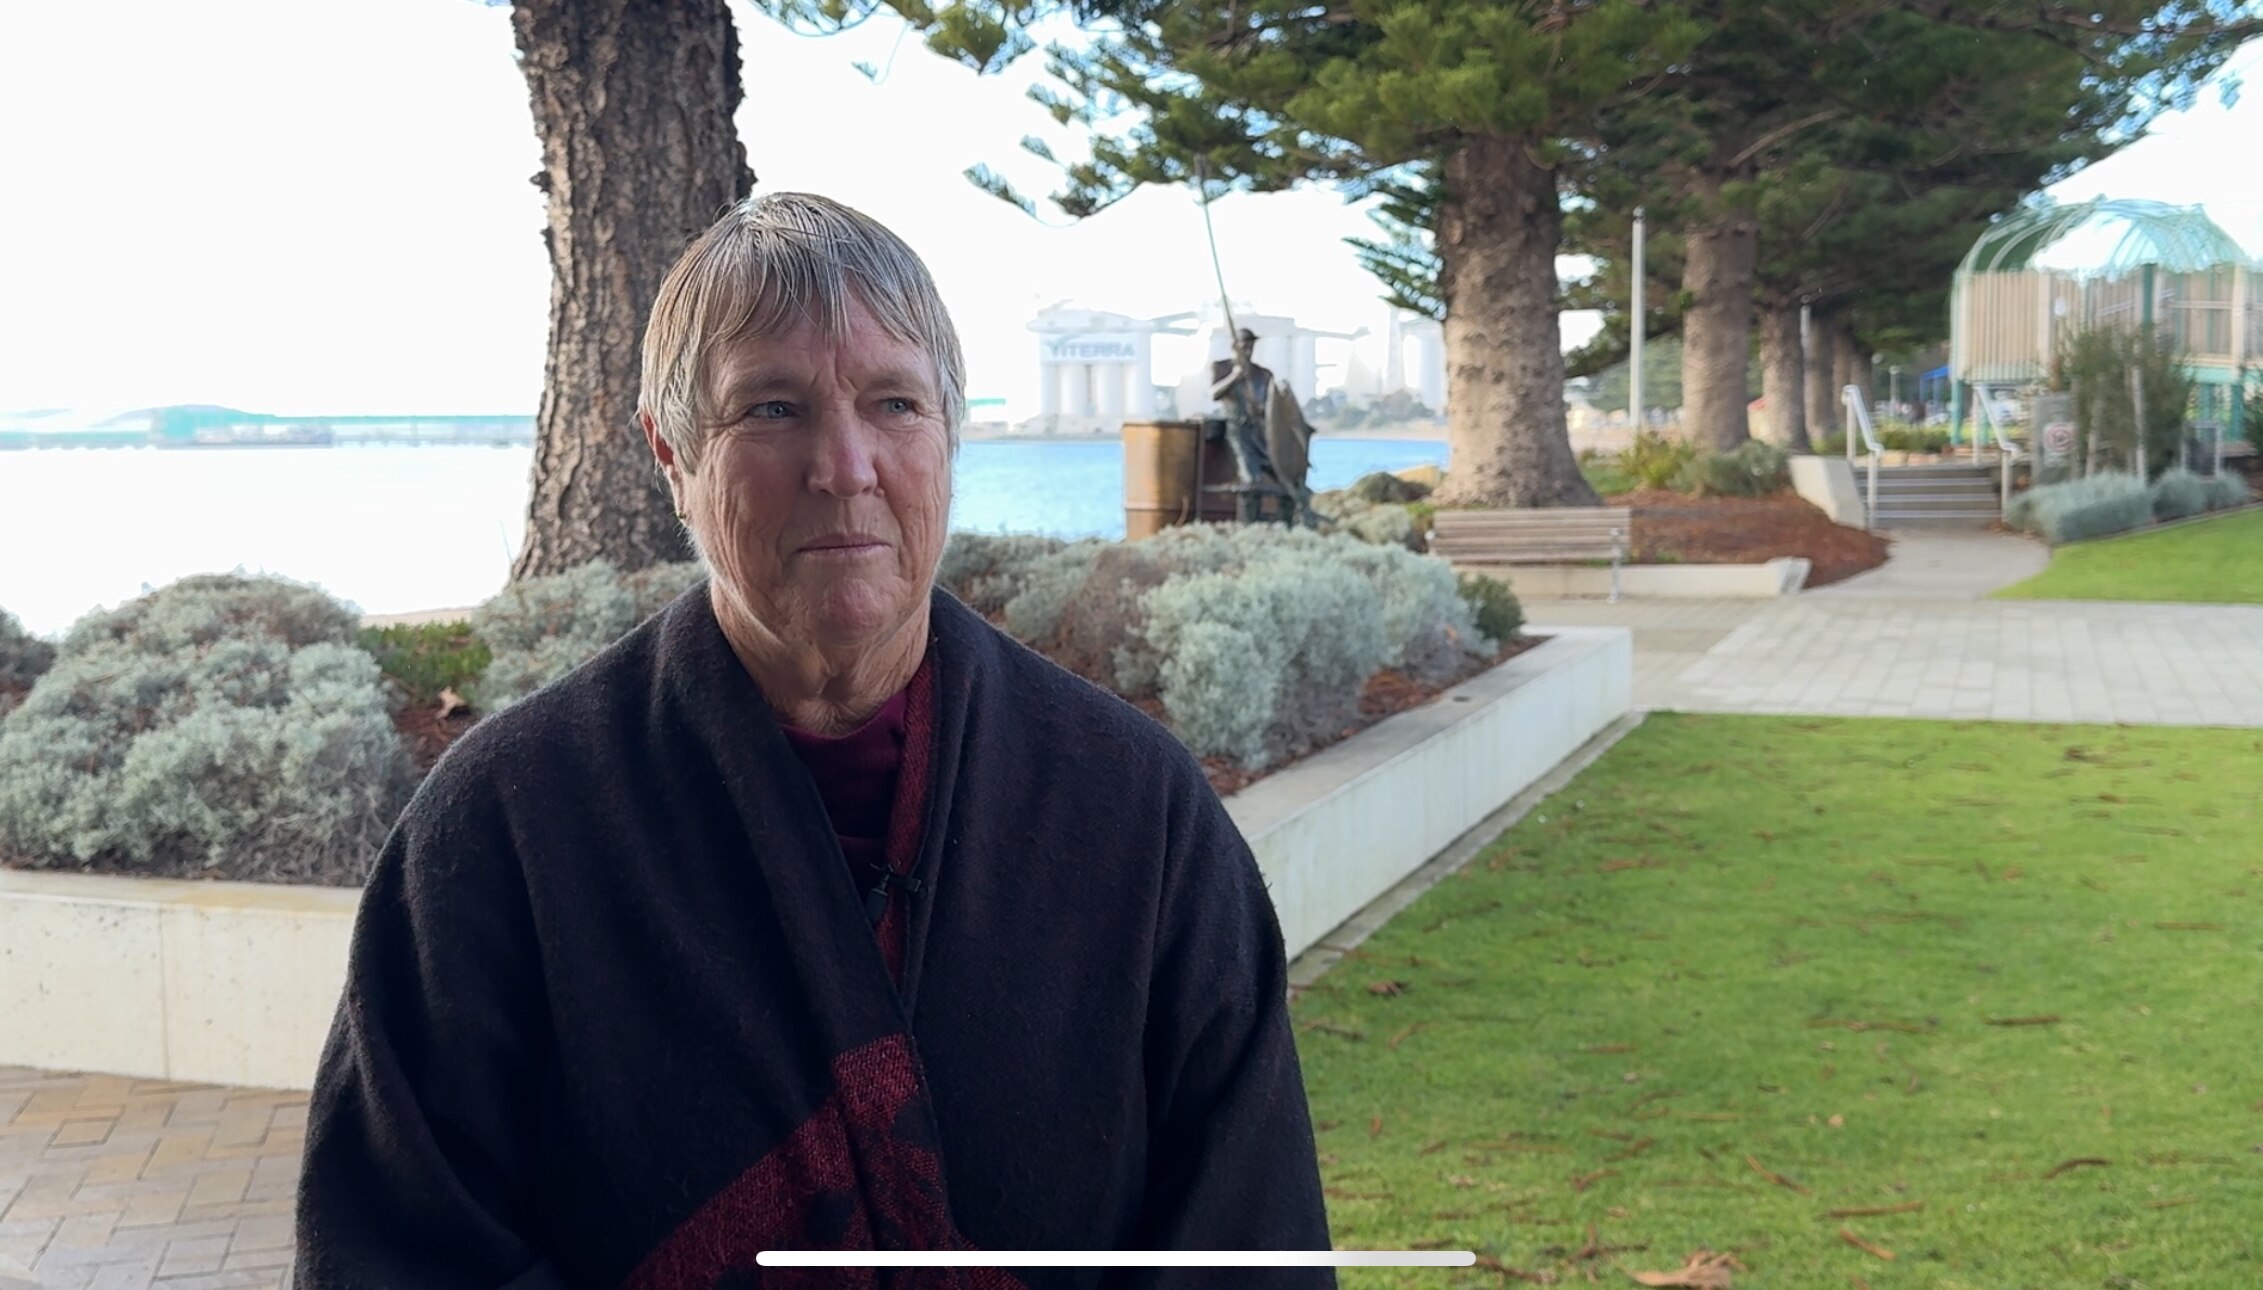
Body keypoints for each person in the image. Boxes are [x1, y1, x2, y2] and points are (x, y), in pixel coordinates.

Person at [294, 193, 1332, 1286]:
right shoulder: (505, 829)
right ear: (671, 456)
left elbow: (1247, 1234)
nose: (846, 465)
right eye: (773, 409)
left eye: (893, 403)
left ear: (948, 432)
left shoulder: (1133, 811)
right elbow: (399, 1245)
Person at [1208, 329, 1313, 525]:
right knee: (1251, 482)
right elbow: (1214, 393)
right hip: (1238, 435)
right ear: (1235, 346)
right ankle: (1249, 530)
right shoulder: (1221, 367)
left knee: (1287, 481)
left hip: (1265, 435)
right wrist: (1236, 377)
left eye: (1251, 345)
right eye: (1244, 346)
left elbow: (1275, 407)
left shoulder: (1263, 374)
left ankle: (1286, 527)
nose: (1248, 350)